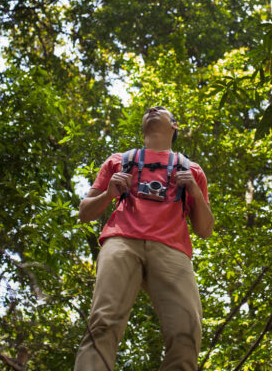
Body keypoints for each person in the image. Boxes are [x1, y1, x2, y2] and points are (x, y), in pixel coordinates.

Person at [75, 106, 214, 371]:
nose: (152, 109)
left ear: (174, 125)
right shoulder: (119, 161)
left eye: (161, 110)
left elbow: (205, 230)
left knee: (187, 331)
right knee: (103, 322)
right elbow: (84, 213)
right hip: (121, 241)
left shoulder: (191, 169)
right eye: (149, 110)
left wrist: (195, 192)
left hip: (172, 249)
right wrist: (109, 194)